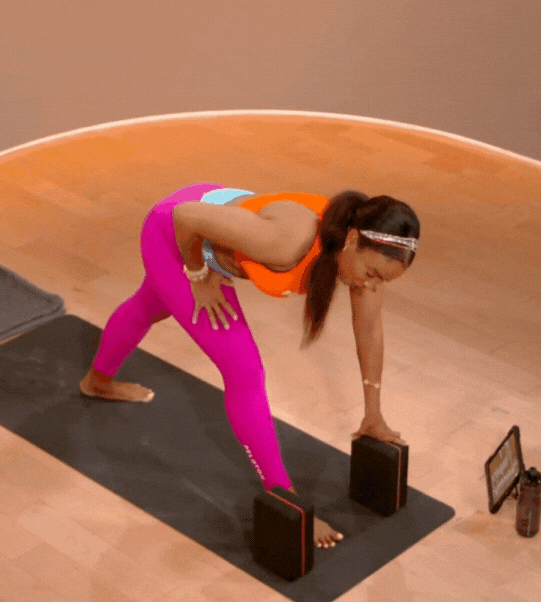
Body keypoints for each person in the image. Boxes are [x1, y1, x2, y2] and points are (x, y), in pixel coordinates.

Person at [78, 183, 420, 549]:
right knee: (244, 370)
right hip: (174, 231)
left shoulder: (366, 258)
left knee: (152, 303)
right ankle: (281, 490)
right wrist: (198, 275)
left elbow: (368, 332)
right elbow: (186, 217)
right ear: (352, 239)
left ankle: (97, 380)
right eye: (372, 273)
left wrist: (373, 415)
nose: (373, 284)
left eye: (383, 279)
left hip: (210, 223)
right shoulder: (288, 241)